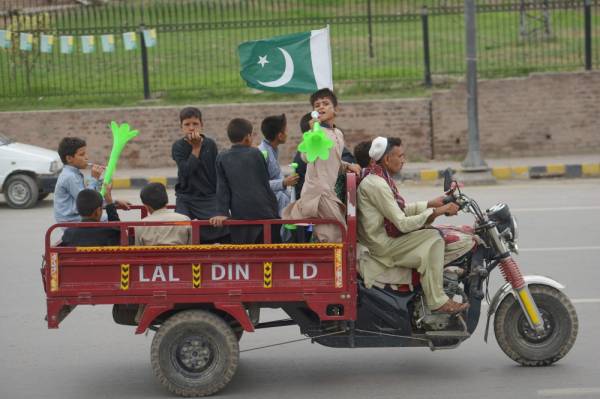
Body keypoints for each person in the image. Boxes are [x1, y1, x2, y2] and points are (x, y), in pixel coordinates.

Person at [356, 136, 469, 314]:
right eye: (400, 156)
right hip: (381, 245)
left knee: (431, 233)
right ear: (387, 159)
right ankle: (437, 301)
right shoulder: (377, 184)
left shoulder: (378, 177)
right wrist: (437, 212)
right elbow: (401, 223)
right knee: (434, 238)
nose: (404, 160)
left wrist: (431, 204)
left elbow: (399, 210)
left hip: (381, 238)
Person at [282, 89, 361, 242]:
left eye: (326, 103)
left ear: (335, 109)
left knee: (333, 236)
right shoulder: (316, 133)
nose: (321, 107)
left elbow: (332, 160)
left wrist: (347, 166)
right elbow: (306, 157)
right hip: (318, 193)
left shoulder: (338, 133)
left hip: (329, 192)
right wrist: (312, 133)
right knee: (337, 236)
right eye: (317, 105)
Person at [210, 118, 280, 244]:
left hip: (240, 213)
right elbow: (264, 182)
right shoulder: (256, 153)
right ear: (248, 137)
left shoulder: (221, 157)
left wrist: (222, 212)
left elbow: (222, 188)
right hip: (264, 212)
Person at [172, 107, 228, 243]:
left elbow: (216, 174)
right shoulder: (178, 146)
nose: (191, 128)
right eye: (187, 124)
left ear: (201, 125)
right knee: (180, 228)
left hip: (209, 197)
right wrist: (195, 148)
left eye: (195, 124)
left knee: (225, 227)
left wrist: (220, 202)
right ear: (181, 127)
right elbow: (186, 171)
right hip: (186, 197)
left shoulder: (210, 144)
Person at [293, 112, 356, 200]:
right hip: (315, 199)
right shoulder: (307, 153)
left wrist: (347, 165)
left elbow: (333, 162)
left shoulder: (330, 144)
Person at [258, 114, 299, 215]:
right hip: (270, 209)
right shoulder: (262, 153)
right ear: (280, 135)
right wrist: (284, 183)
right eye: (286, 130)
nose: (287, 134)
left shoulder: (272, 150)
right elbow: (259, 185)